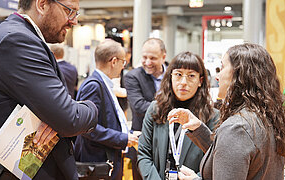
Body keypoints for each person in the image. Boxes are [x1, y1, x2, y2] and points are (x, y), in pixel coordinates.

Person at [0, 0, 98, 179]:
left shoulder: (20, 36)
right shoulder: (16, 40)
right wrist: (90, 107)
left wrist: (60, 114)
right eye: (69, 11)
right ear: (42, 4)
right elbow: (69, 119)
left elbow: (62, 115)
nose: (74, 21)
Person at [168, 43, 285, 180]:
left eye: (222, 67)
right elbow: (230, 157)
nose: (217, 76)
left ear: (239, 74)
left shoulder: (237, 128)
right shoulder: (267, 117)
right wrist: (198, 128)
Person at [137, 52, 219, 179]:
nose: (183, 82)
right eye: (178, 74)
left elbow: (214, 159)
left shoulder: (212, 116)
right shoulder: (155, 109)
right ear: (170, 77)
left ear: (200, 81)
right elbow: (144, 153)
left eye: (191, 75)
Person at [74, 39, 140, 180]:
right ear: (114, 61)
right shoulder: (93, 86)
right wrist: (122, 138)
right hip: (97, 163)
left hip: (106, 160)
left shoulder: (103, 84)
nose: (123, 66)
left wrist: (129, 134)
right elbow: (87, 128)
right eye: (123, 62)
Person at [124, 38, 167, 180]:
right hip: (143, 143)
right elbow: (139, 106)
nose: (147, 62)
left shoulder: (174, 75)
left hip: (170, 143)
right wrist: (171, 107)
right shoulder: (132, 77)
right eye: (144, 57)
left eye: (153, 58)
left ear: (163, 57)